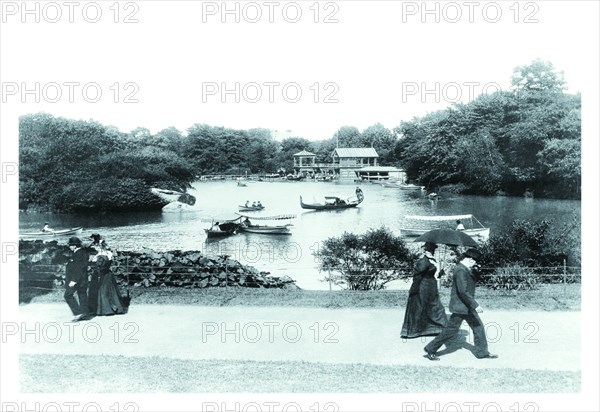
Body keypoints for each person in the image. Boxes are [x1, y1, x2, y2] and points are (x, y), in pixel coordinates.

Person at [423, 248, 498, 361]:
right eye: (476, 262)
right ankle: (431, 348)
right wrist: (475, 305)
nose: (476, 264)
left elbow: (471, 282)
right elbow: (463, 291)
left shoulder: (464, 269)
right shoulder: (460, 270)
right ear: (471, 259)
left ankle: (482, 353)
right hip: (461, 307)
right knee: (451, 330)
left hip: (465, 306)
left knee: (478, 328)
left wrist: (477, 272)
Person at [401, 242, 448, 339]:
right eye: (429, 250)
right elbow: (417, 277)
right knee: (421, 306)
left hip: (431, 286)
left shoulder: (432, 261)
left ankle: (436, 328)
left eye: (432, 250)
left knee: (434, 306)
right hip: (423, 286)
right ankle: (415, 331)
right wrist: (414, 289)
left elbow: (434, 274)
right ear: (425, 250)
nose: (431, 252)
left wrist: (440, 273)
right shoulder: (423, 261)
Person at [64, 236, 91, 321]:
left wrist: (74, 280)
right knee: (82, 294)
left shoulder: (77, 254)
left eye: (70, 245)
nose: (69, 247)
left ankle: (78, 313)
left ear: (75, 246)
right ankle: (85, 314)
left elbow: (78, 268)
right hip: (83, 279)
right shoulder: (84, 252)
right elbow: (83, 266)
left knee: (68, 295)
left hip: (76, 279)